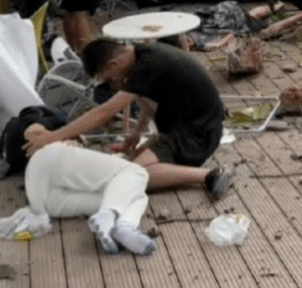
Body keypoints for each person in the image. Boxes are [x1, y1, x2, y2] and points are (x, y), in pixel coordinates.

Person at [24, 38, 234, 199]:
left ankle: (209, 175)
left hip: (198, 135)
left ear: (113, 64)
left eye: (108, 79)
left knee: (135, 175)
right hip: (187, 125)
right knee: (133, 161)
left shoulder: (147, 65)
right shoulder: (142, 53)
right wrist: (135, 133)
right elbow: (147, 102)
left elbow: (104, 112)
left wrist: (53, 137)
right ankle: (182, 168)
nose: (113, 83)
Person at [23, 126, 156, 256]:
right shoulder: (53, 119)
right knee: (137, 172)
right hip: (49, 157)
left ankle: (125, 227)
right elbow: (32, 128)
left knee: (134, 196)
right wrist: (55, 135)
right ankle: (107, 216)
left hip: (41, 201)